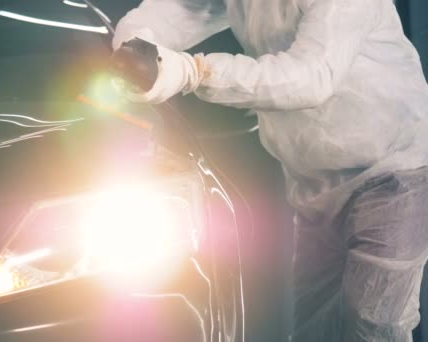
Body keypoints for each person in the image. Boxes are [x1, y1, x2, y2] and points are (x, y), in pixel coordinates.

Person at [112, 0, 428, 341]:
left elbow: (311, 77)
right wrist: (136, 43)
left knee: (370, 322)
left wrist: (194, 71)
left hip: (394, 171)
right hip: (315, 186)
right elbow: (186, 9)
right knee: (314, 330)